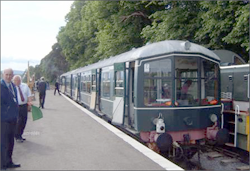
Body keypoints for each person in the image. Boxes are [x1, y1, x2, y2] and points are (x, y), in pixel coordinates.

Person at [1, 68, 21, 169]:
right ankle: (2, 165)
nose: (8, 76)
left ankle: (9, 162)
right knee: (3, 143)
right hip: (3, 120)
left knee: (10, 142)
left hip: (13, 118)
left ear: (13, 75)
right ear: (3, 75)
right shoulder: (1, 86)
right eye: (6, 74)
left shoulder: (13, 86)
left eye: (10, 75)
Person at [13, 75, 32, 142]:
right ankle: (17, 136)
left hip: (24, 106)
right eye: (15, 80)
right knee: (18, 121)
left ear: (20, 80)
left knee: (24, 120)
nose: (16, 82)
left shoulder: (25, 86)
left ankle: (20, 135)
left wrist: (30, 103)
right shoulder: (12, 87)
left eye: (18, 80)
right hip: (16, 106)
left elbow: (29, 95)